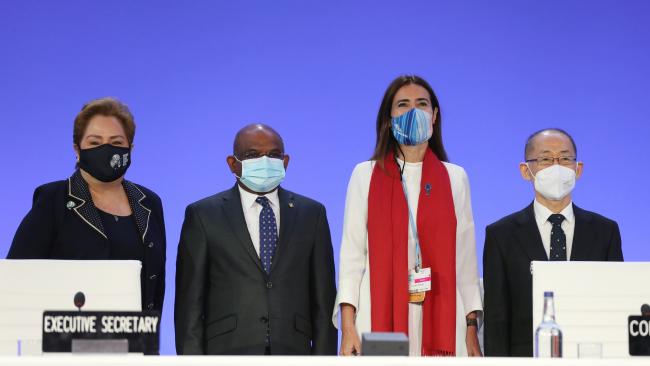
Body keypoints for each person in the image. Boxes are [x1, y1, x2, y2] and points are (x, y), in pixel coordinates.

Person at [334, 75, 483, 357]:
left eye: (422, 104)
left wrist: (472, 327)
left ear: (435, 115)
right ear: (389, 119)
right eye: (402, 105)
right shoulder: (364, 175)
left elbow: (465, 260)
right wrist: (348, 326)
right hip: (376, 314)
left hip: (444, 318)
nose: (413, 111)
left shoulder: (455, 178)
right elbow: (352, 257)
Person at [174, 124, 337, 355]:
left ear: (286, 161)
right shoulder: (202, 215)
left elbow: (324, 299)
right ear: (232, 163)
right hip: (227, 351)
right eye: (252, 155)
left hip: (293, 351)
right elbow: (189, 303)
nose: (264, 161)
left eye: (273, 155)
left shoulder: (312, 214)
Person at [7, 97, 166, 313]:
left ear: (131, 148)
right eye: (95, 142)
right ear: (77, 149)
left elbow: (156, 287)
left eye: (117, 142)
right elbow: (16, 278)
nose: (106, 149)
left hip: (135, 340)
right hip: (67, 341)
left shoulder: (149, 203)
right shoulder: (53, 199)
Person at [483, 128, 624, 357]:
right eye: (546, 159)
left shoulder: (605, 231)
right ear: (525, 171)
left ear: (578, 169)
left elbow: (615, 306)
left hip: (591, 356)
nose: (557, 166)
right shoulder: (501, 234)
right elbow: (497, 319)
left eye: (565, 159)